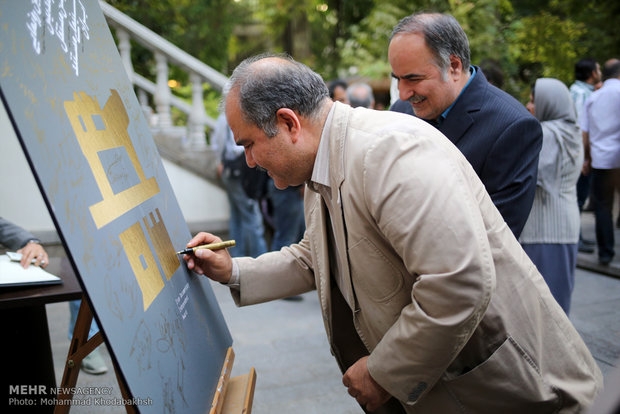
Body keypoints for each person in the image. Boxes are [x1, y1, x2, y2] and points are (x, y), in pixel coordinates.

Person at [182, 54, 602, 413]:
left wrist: (384, 372)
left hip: (508, 390)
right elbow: (317, 256)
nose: (250, 161)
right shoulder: (321, 161)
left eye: (249, 144)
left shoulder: (390, 152)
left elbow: (458, 281)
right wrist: (233, 271)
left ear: (288, 122)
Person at [388, 12, 542, 238]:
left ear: (453, 67)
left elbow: (496, 237)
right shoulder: (400, 113)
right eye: (397, 78)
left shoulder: (513, 127)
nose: (402, 94)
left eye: (413, 79)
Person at [520, 78, 583, 314]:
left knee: (543, 309)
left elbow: (532, 176)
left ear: (550, 103)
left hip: (545, 229)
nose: (528, 106)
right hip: (564, 225)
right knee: (558, 303)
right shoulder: (571, 130)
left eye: (534, 101)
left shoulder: (548, 134)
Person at [211, 112, 268, 258]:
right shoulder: (230, 116)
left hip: (231, 170)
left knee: (237, 214)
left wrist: (220, 161)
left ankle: (238, 256)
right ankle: (259, 257)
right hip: (238, 171)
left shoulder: (226, 116)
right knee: (251, 215)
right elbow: (221, 141)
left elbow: (217, 142)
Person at [580, 59, 620, 265]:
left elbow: (585, 133)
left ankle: (605, 253)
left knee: (603, 206)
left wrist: (587, 159)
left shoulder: (594, 97)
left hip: (601, 160)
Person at [570, 58, 602, 253]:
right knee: (578, 199)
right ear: (592, 73)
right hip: (580, 155)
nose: (599, 71)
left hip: (578, 154)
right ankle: (576, 239)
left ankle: (578, 237)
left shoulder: (578, 90)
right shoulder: (581, 94)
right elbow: (581, 128)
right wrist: (584, 157)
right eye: (597, 69)